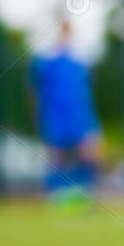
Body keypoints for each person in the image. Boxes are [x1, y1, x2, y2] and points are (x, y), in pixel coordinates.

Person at [30, 20, 103, 209]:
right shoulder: (45, 60)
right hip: (56, 113)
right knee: (56, 155)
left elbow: (88, 85)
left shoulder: (80, 58)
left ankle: (85, 194)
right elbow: (35, 90)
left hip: (80, 112)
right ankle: (56, 197)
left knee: (90, 151)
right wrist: (38, 115)